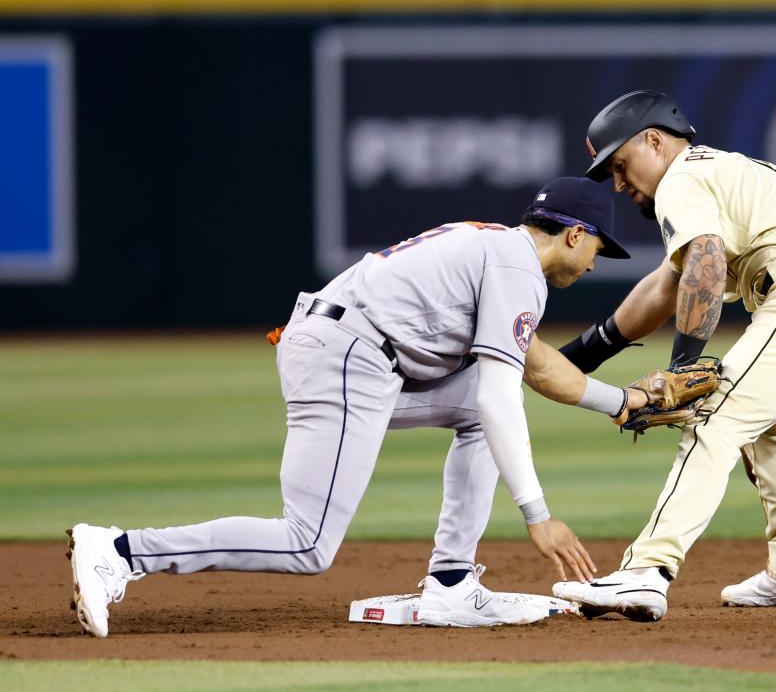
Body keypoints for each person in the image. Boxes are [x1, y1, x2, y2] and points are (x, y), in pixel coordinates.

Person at [68, 177, 652, 636]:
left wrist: (621, 402)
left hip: (347, 348)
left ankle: (450, 583)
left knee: (474, 410)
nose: (597, 263)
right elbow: (504, 393)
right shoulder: (516, 266)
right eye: (600, 247)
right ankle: (120, 550)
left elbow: (535, 365)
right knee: (306, 543)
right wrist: (538, 515)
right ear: (575, 233)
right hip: (350, 357)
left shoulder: (494, 248)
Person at [553, 91, 776, 622]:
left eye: (620, 165)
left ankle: (646, 572)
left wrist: (685, 363)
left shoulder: (681, 177)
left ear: (654, 140)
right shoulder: (723, 170)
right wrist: (580, 356)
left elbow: (707, 257)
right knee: (763, 423)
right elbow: (666, 286)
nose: (620, 184)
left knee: (711, 416)